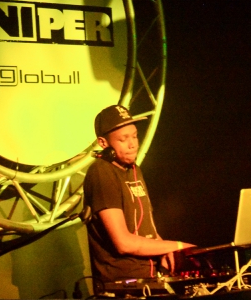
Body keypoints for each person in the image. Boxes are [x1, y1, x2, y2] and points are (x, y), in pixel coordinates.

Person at [84, 105, 196, 282]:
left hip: (150, 276)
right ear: (103, 143)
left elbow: (146, 229)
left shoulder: (134, 170)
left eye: (135, 136)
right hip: (124, 282)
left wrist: (165, 250)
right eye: (123, 139)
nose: (133, 144)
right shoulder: (101, 172)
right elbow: (123, 243)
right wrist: (178, 246)